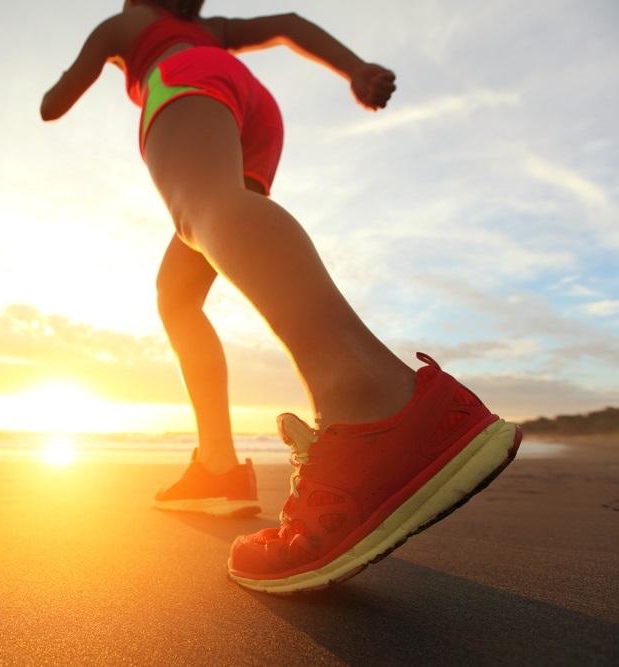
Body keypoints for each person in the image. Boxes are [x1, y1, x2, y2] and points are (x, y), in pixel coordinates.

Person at [41, 0, 522, 593]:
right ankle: (216, 467)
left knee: (206, 212)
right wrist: (357, 69)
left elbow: (57, 99)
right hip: (251, 103)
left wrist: (78, 76)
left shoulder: (128, 24)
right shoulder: (210, 29)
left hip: (183, 85)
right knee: (179, 291)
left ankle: (373, 402)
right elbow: (289, 25)